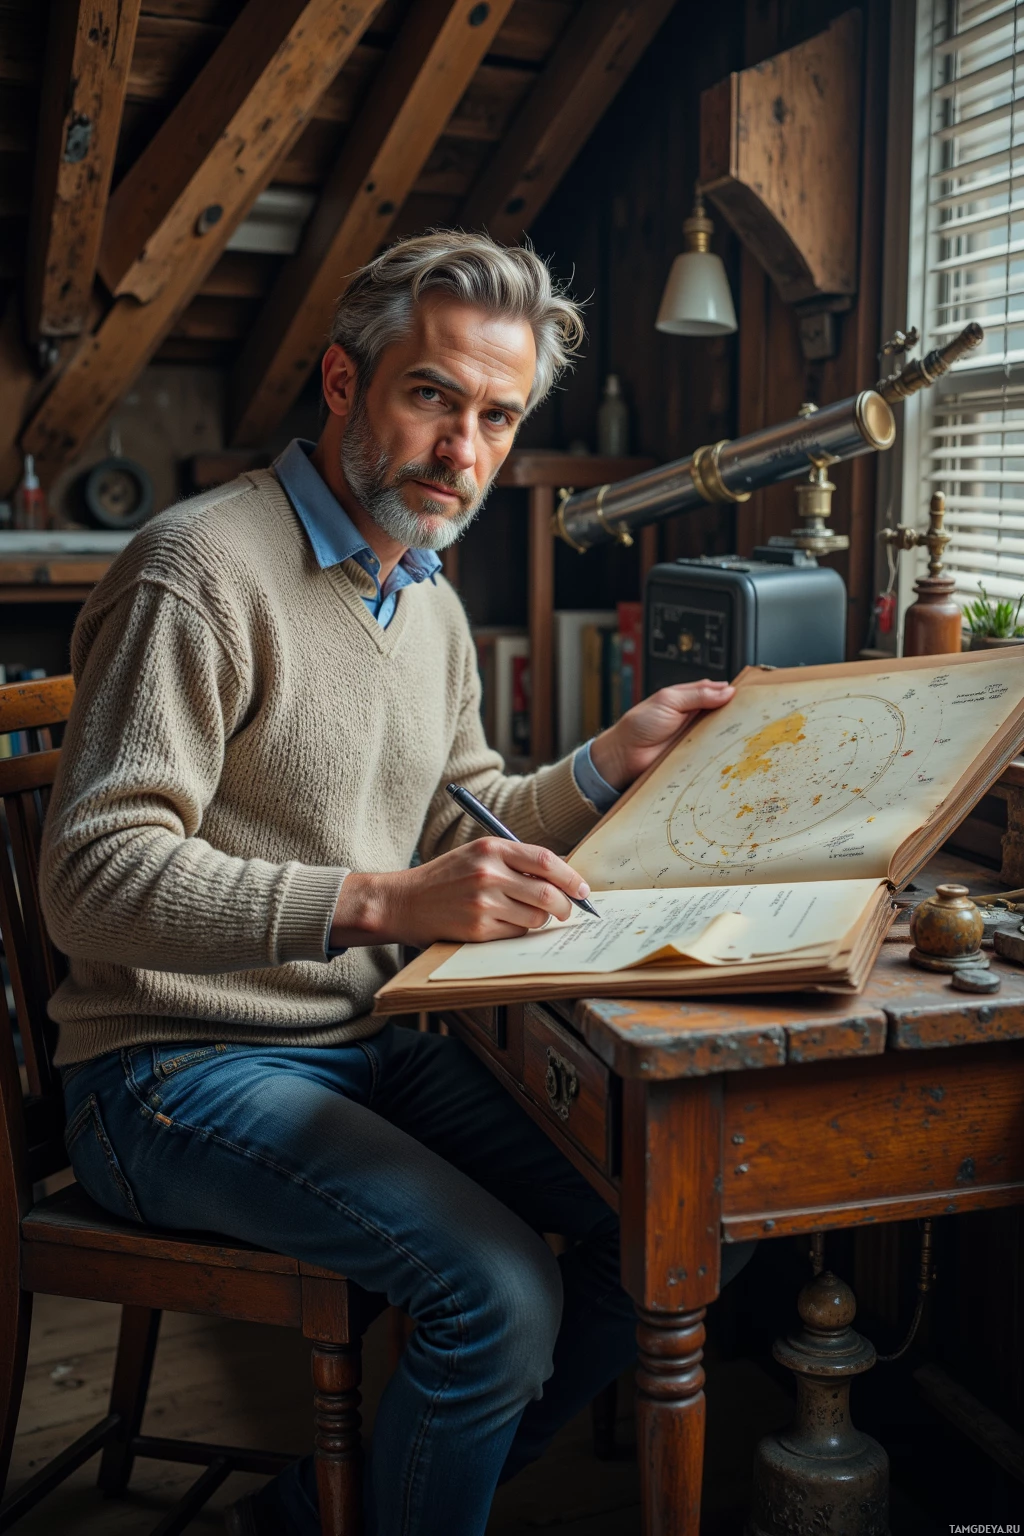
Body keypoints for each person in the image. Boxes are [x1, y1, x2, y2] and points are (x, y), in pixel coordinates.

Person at [41, 231, 742, 1536]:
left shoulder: (421, 589)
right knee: (499, 1298)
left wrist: (606, 759)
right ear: (344, 381)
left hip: (363, 1041)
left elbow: (461, 812)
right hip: (165, 1069)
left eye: (496, 415)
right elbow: (90, 882)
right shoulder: (196, 572)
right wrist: (380, 903)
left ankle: (329, 1511)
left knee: (680, 1217)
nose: (461, 451)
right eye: (432, 395)